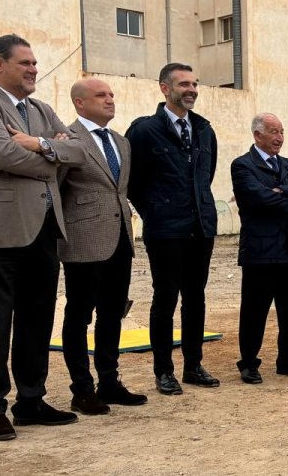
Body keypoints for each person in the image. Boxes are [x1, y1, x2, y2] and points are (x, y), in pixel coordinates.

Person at [0, 34, 86, 440]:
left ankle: (30, 400)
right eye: (25, 63)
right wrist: (51, 158)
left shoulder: (40, 109)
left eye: (36, 64)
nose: (33, 69)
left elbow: (80, 151)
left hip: (42, 230)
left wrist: (39, 143)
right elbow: (2, 155)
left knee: (37, 321)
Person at [127, 63, 220, 394]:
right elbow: (132, 182)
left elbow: (204, 177)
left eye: (195, 83)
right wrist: (155, 212)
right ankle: (163, 370)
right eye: (184, 84)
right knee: (165, 298)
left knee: (195, 297)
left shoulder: (204, 130)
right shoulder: (144, 131)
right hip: (166, 230)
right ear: (165, 89)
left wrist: (199, 210)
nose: (191, 89)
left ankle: (193, 366)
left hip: (200, 227)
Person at [56, 78, 147, 415]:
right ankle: (82, 389)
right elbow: (56, 189)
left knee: (112, 314)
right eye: (101, 95)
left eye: (111, 95)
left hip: (120, 239)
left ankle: (109, 381)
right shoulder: (66, 139)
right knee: (79, 316)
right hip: (83, 241)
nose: (110, 100)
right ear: (80, 103)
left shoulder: (121, 143)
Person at [230, 113, 288, 384]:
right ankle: (248, 363)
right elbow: (259, 199)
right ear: (258, 135)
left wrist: (283, 191)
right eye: (273, 132)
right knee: (254, 311)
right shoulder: (243, 165)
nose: (279, 137)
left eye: (282, 131)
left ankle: (287, 359)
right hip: (260, 252)